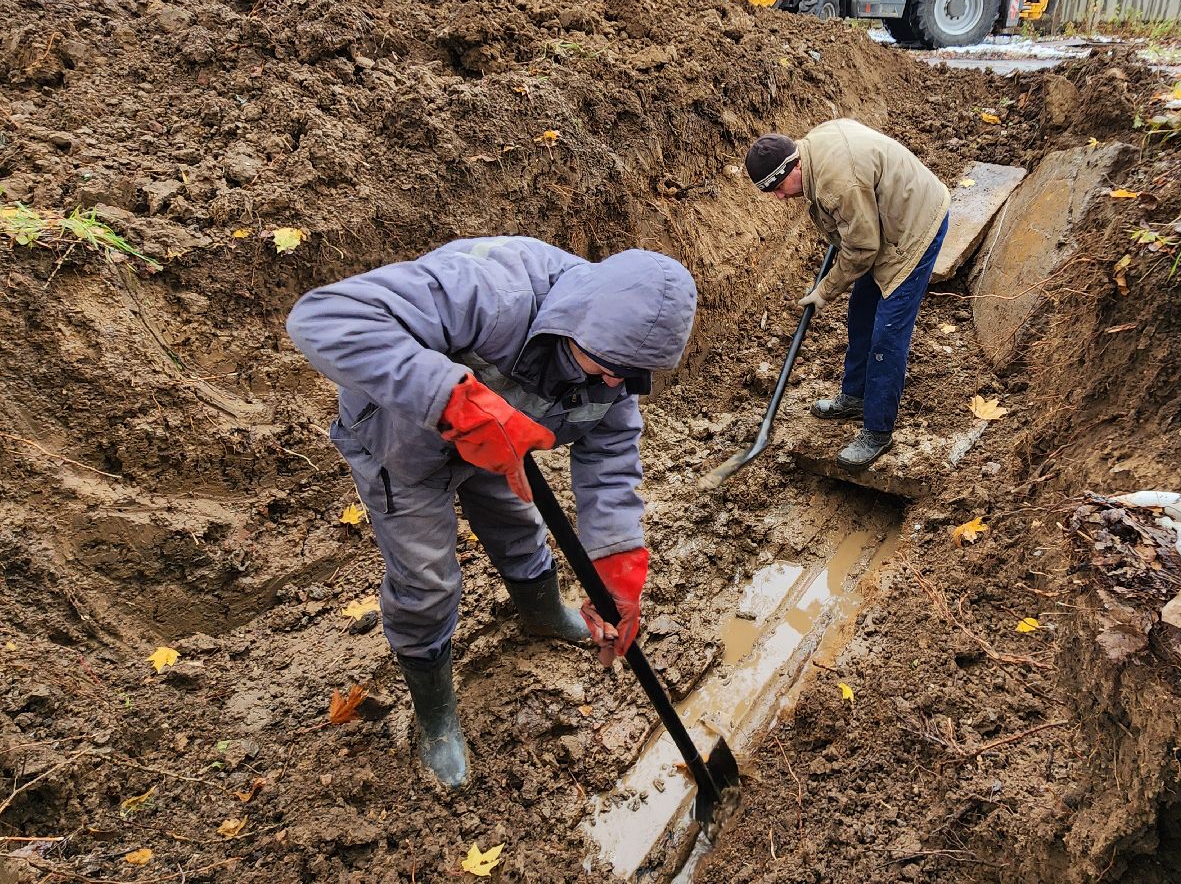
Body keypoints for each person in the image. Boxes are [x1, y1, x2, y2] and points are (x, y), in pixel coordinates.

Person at [286, 236, 697, 789]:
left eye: (629, 375)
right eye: (605, 368)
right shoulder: (490, 291)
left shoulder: (618, 363)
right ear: (574, 323)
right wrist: (459, 404)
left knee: (522, 529)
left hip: (502, 444)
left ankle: (542, 612)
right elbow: (323, 315)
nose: (615, 384)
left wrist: (616, 568)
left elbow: (610, 455)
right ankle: (434, 715)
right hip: (403, 443)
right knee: (426, 580)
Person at [745, 119, 949, 469]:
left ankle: (877, 431)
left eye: (779, 186)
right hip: (883, 220)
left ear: (795, 164)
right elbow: (857, 227)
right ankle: (855, 397)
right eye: (770, 191)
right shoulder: (813, 154)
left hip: (913, 228)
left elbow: (862, 248)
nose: (779, 196)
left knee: (887, 335)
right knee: (861, 313)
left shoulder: (838, 183)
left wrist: (824, 290)